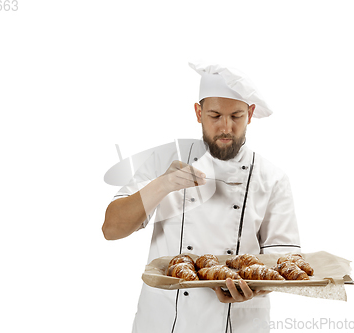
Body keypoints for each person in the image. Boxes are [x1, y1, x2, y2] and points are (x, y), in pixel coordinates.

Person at [102, 63, 301, 333]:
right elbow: (111, 229)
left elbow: (282, 261)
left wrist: (254, 290)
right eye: (215, 115)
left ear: (251, 114)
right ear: (198, 113)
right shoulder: (165, 159)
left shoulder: (272, 178)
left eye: (237, 116)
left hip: (238, 323)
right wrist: (162, 184)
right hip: (163, 321)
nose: (225, 127)